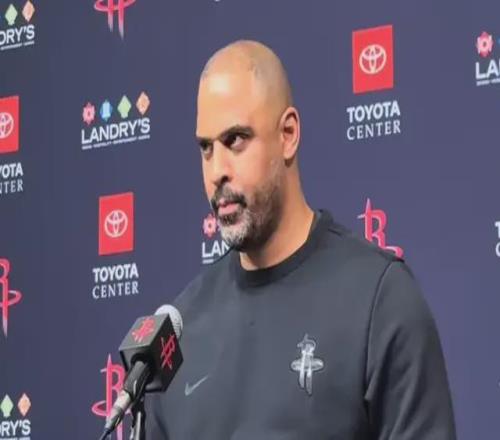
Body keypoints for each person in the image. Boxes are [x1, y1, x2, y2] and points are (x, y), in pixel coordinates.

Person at [146, 40, 456, 439]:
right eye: (206, 148)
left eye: (235, 140)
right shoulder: (180, 330)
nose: (216, 170)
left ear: (288, 134)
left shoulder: (380, 301)